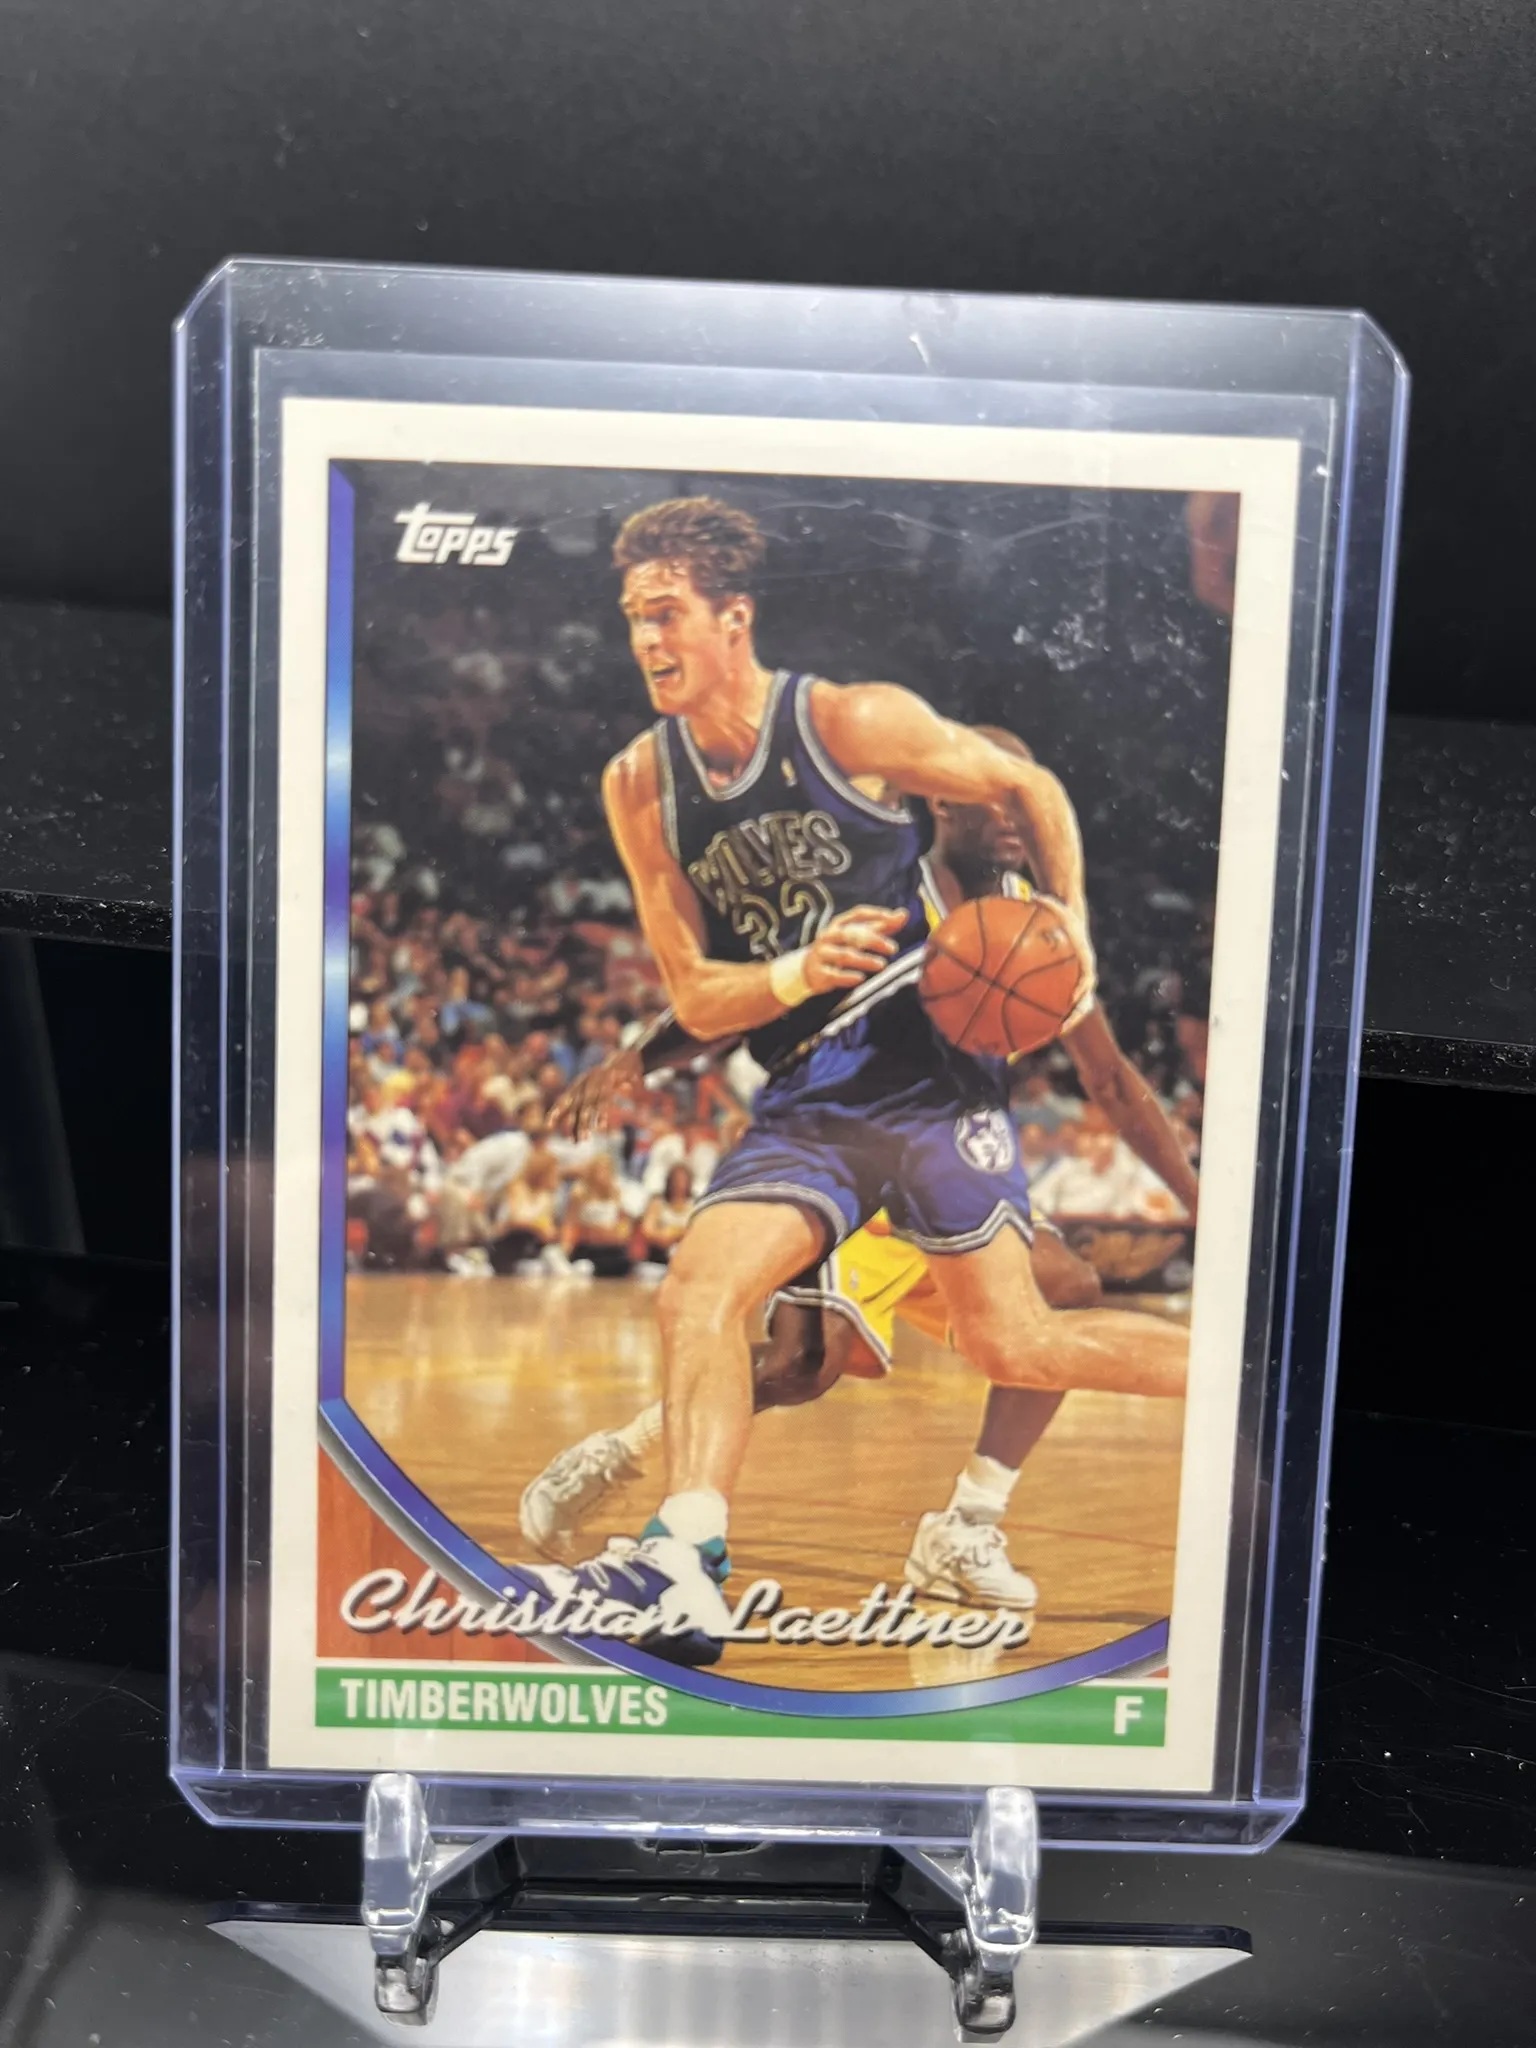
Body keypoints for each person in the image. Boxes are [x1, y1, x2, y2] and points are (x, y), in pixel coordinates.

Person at [517, 495, 1188, 1665]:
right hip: (811, 1090)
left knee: (1024, 1332)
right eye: (635, 616)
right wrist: (772, 980)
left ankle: (1232, 1387)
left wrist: (1075, 924)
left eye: (667, 611)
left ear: (733, 615)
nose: (647, 638)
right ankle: (683, 1555)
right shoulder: (641, 782)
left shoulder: (859, 732)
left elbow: (1035, 792)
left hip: (928, 1088)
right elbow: (698, 996)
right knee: (706, 1299)